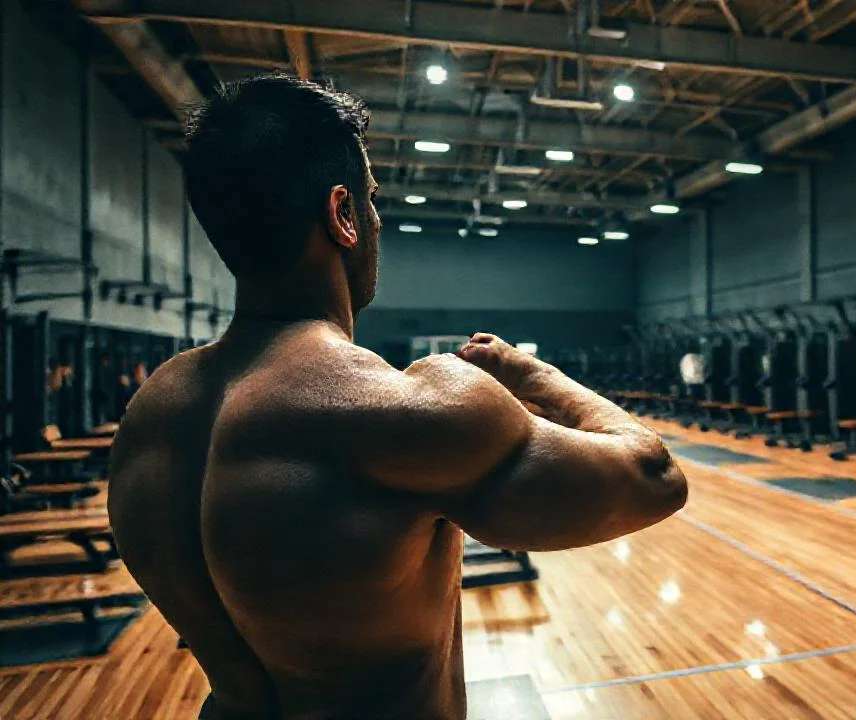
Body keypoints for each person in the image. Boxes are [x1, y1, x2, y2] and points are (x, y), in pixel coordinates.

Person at [107, 75, 687, 720]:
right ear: (343, 215)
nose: (378, 218)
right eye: (372, 199)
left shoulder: (154, 410)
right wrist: (531, 375)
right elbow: (653, 476)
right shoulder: (407, 409)